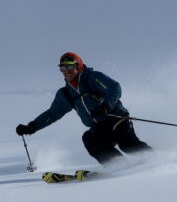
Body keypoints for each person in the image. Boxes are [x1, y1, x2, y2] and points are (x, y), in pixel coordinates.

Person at [16, 52, 152, 165]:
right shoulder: (66, 93)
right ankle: (118, 166)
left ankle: (155, 159)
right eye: (62, 69)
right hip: (99, 127)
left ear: (78, 66)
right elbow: (52, 113)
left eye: (70, 67)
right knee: (89, 139)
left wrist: (105, 106)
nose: (67, 72)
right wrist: (32, 127)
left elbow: (115, 87)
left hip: (115, 118)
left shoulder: (92, 78)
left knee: (128, 146)